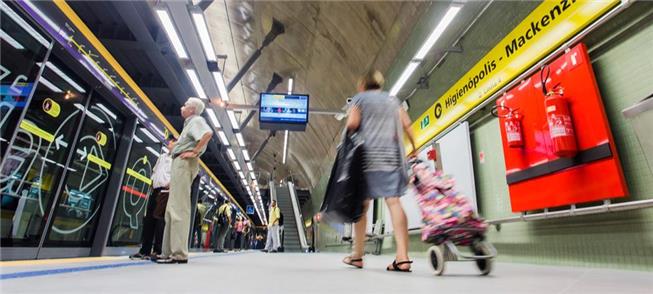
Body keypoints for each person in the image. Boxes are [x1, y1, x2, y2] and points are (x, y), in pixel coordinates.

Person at [341, 70, 417, 272]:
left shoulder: (360, 99)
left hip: (366, 159)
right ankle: (403, 257)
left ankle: (357, 256)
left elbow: (353, 123)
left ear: (362, 86)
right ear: (380, 84)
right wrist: (415, 148)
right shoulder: (393, 101)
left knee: (363, 205)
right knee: (394, 201)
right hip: (391, 157)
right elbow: (407, 125)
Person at [157, 97, 213, 264]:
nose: (182, 106)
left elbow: (207, 134)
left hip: (184, 163)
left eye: (186, 105)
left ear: (192, 109)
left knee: (178, 208)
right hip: (179, 164)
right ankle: (167, 252)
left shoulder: (196, 120)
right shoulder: (188, 124)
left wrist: (194, 152)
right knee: (171, 209)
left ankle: (178, 254)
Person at [130, 137, 175, 260]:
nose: (169, 143)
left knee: (160, 221)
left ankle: (158, 250)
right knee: (149, 220)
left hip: (166, 192)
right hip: (155, 190)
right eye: (169, 141)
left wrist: (171, 184)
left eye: (172, 141)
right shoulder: (162, 157)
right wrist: (152, 181)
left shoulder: (177, 159)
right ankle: (145, 250)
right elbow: (155, 171)